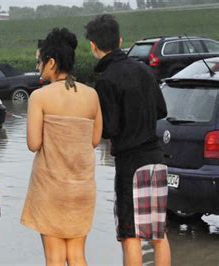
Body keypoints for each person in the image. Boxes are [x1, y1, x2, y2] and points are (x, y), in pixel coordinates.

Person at [85, 15, 170, 265]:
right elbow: (162, 110)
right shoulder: (145, 70)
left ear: (93, 46)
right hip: (157, 159)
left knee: (130, 234)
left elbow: (108, 129)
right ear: (120, 40)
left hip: (131, 166)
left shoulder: (106, 81)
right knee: (158, 233)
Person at [21, 28, 103, 266]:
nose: (38, 67)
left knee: (55, 258)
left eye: (40, 62)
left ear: (52, 62)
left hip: (51, 189)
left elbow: (33, 143)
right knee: (77, 256)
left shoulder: (40, 97)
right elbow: (95, 140)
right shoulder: (91, 95)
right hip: (82, 188)